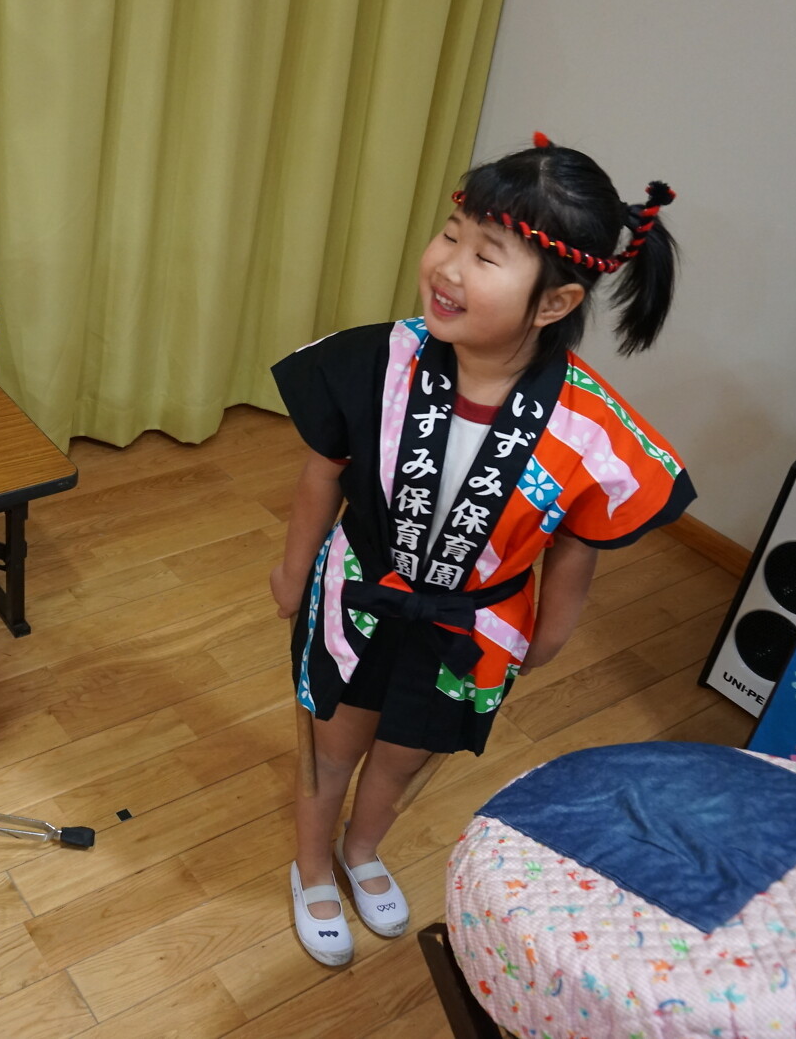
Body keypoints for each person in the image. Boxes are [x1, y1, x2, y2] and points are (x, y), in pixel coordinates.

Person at [269, 133, 696, 966]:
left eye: (486, 255)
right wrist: (292, 569)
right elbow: (324, 471)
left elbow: (579, 542)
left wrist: (554, 632)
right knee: (333, 746)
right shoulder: (376, 360)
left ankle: (362, 850)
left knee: (405, 757)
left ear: (554, 303)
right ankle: (312, 865)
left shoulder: (589, 425)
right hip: (361, 593)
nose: (448, 265)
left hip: (476, 627)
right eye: (451, 233)